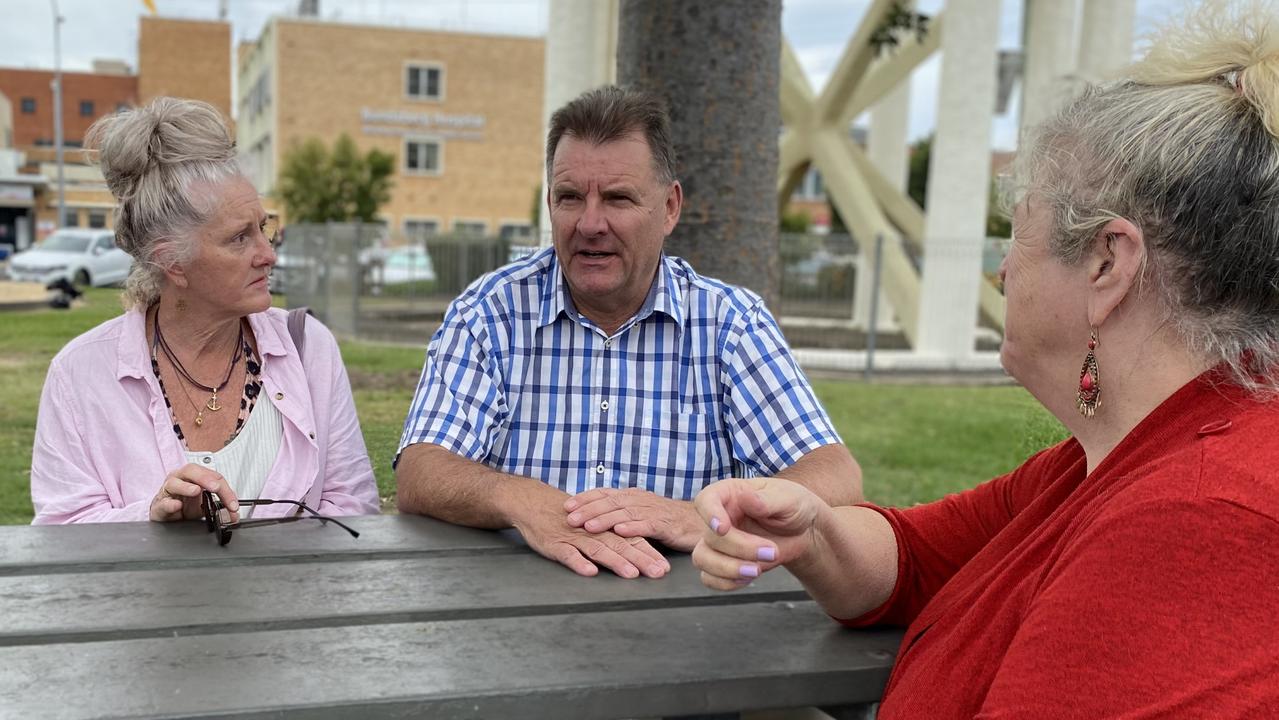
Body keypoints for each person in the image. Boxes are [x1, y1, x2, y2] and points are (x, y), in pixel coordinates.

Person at [693, 3, 1279, 716]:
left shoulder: (1198, 518)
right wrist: (811, 530)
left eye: (1015, 234)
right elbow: (912, 558)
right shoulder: (1107, 458)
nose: (1002, 271)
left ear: (1106, 264)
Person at [396, 86, 860, 579]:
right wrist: (521, 500)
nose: (590, 223)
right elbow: (421, 470)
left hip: (689, 619)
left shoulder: (730, 324)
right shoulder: (489, 313)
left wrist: (698, 518)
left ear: (669, 208)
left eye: (617, 198)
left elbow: (835, 476)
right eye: (570, 197)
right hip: (506, 610)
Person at [30, 97, 380, 524]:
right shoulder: (80, 374)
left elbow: (354, 505)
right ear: (173, 262)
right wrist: (154, 519)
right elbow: (61, 530)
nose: (268, 254)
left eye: (264, 228)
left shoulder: (307, 348)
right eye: (239, 238)